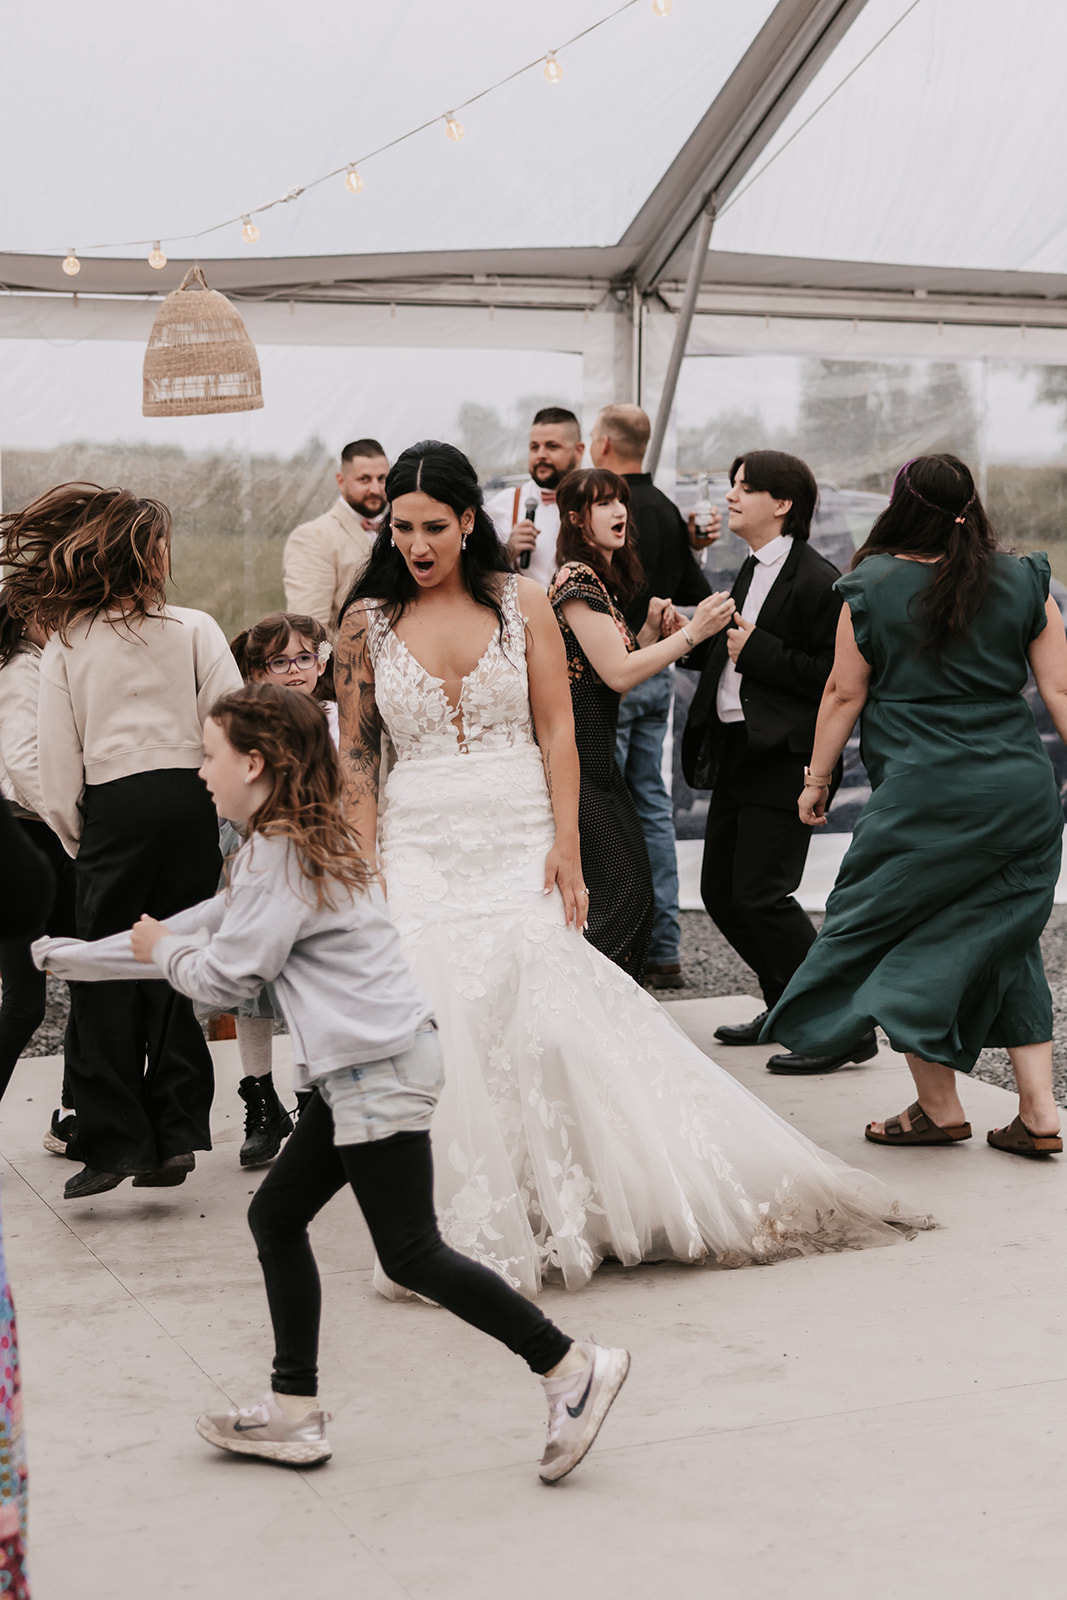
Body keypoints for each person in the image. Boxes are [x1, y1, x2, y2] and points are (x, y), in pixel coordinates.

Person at [335, 438, 931, 1300]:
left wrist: (567, 846)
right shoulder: (365, 624)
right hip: (417, 838)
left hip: (519, 831)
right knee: (442, 1017)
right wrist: (362, 870)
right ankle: (467, 1219)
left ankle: (585, 1194)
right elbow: (356, 755)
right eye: (401, 529)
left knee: (542, 1011)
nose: (416, 546)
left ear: (470, 522)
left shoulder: (524, 601)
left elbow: (556, 730)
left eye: (433, 527)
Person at [34, 682, 630, 1483]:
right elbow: (192, 930)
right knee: (277, 1219)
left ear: (253, 763)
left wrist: (152, 954)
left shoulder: (279, 858)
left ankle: (568, 1367)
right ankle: (293, 1412)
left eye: (209, 756)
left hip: (376, 1071)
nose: (201, 772)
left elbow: (221, 976)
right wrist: (72, 956)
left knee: (412, 1251)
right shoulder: (280, 845)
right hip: (363, 1068)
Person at [764, 454, 1066, 1156]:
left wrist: (814, 781)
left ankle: (937, 1108)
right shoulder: (1026, 578)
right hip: (1018, 794)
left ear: (899, 504)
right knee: (1007, 941)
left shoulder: (867, 585)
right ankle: (1040, 1113)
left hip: (922, 798)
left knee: (884, 932)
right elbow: (1058, 691)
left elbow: (842, 693)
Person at [2, 482, 243, 1199]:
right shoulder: (197, 627)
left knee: (101, 976)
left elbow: (53, 763)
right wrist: (219, 814)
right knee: (174, 964)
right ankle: (175, 1136)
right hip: (189, 807)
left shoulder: (69, 645)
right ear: (148, 557)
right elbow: (230, 724)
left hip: (112, 812)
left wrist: (82, 840)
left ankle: (113, 1142)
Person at [681, 451, 877, 1075]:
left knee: (762, 895)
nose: (730, 496)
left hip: (786, 758)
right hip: (740, 752)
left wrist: (758, 649)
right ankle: (788, 1006)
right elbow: (738, 655)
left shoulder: (818, 580)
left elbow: (837, 675)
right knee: (720, 892)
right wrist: (685, 637)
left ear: (782, 503)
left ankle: (845, 1027)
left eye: (744, 488)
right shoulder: (750, 569)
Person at [549, 467, 728, 978]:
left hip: (597, 756)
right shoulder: (574, 578)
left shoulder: (598, 579)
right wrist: (694, 632)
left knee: (629, 889)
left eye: (620, 500)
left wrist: (650, 631)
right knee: (621, 891)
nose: (619, 511)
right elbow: (619, 674)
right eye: (604, 503)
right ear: (577, 520)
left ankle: (604, 1003)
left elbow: (615, 666)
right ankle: (592, 1001)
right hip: (579, 758)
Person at [589, 404, 719, 988]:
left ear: (605, 445)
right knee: (652, 810)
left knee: (606, 813)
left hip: (613, 676)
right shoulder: (666, 509)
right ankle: (665, 947)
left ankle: (615, 945)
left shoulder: (605, 510)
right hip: (657, 676)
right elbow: (694, 589)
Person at [216, 611, 338, 1166]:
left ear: (321, 660)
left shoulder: (339, 720)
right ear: (257, 670)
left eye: (303, 658)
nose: (294, 671)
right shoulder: (245, 727)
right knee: (253, 990)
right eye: (279, 662)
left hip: (323, 866)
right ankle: (260, 1100)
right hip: (257, 861)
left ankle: (313, 1095)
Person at [0, 594, 77, 1140]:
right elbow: (25, 765)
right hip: (32, 839)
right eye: (55, 615)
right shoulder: (20, 669)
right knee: (26, 1003)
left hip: (48, 836)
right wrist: (74, 824)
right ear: (26, 617)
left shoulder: (48, 662)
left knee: (86, 980)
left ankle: (75, 1112)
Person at [283, 439, 389, 635]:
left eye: (382, 479)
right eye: (364, 479)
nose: (375, 489)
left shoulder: (401, 529)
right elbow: (310, 632)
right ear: (341, 481)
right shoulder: (312, 537)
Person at [486, 407, 584, 592]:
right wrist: (507, 551)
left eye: (552, 446)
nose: (541, 455)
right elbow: (474, 573)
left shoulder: (596, 501)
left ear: (578, 451)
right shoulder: (503, 504)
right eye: (534, 447)